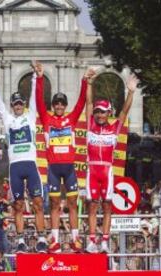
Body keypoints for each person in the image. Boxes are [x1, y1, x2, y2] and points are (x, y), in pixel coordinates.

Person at [0, 63, 47, 253]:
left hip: (30, 165)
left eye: (21, 103)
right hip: (15, 166)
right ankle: (21, 240)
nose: (19, 106)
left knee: (38, 202)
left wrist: (35, 78)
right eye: (15, 104)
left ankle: (41, 239)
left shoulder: (30, 116)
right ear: (12, 106)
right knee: (18, 205)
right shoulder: (8, 119)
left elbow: (35, 99)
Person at [35, 62, 92, 253]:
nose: (59, 106)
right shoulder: (46, 118)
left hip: (69, 168)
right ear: (53, 106)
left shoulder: (72, 118)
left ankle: (76, 240)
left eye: (62, 103)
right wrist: (40, 78)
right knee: (53, 204)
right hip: (53, 168)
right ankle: (55, 241)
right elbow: (38, 102)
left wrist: (84, 80)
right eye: (56, 103)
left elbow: (82, 102)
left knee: (72, 204)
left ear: (65, 106)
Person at [85, 69, 139, 253]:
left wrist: (131, 92)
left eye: (103, 112)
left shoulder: (115, 127)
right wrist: (90, 83)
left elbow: (124, 111)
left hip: (107, 172)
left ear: (108, 113)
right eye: (97, 112)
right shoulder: (90, 124)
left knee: (107, 205)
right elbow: (88, 102)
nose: (100, 115)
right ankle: (92, 240)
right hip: (92, 171)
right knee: (92, 206)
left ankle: (105, 241)